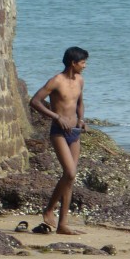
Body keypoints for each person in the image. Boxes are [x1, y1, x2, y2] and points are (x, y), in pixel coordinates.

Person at [28, 46, 89, 235]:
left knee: (70, 179)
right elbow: (35, 101)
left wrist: (81, 119)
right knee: (69, 173)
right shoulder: (56, 81)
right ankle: (49, 209)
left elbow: (79, 102)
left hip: (75, 133)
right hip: (59, 132)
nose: (85, 66)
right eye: (83, 62)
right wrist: (56, 117)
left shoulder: (80, 80)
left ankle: (63, 224)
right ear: (73, 63)